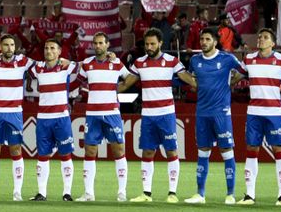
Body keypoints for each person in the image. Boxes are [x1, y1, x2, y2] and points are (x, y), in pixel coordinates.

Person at [178, 28, 244, 204]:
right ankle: (200, 194)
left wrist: (231, 82)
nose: (203, 42)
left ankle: (230, 194)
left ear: (215, 41)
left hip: (221, 113)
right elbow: (192, 79)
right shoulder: (195, 60)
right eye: (202, 39)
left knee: (226, 151)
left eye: (207, 39)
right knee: (203, 151)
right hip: (202, 112)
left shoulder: (227, 59)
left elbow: (243, 70)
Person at [124, 29, 184, 203]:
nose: (149, 47)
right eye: (147, 44)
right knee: (148, 151)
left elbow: (187, 78)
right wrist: (106, 90)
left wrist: (203, 82)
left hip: (166, 114)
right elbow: (126, 83)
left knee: (171, 151)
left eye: (152, 44)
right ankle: (146, 193)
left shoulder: (172, 61)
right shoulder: (139, 63)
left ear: (160, 43)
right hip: (148, 115)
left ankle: (172, 193)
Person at [241, 29, 281, 206]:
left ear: (273, 43)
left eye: (265, 38)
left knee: (278, 150)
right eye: (259, 37)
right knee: (252, 149)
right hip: (254, 112)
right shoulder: (248, 59)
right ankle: (250, 195)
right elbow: (235, 77)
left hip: (274, 112)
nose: (261, 39)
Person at [75, 32, 131, 203]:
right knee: (90, 151)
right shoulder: (87, 64)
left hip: (112, 113)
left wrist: (117, 89)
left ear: (107, 45)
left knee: (118, 151)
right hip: (92, 114)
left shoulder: (116, 63)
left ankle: (121, 192)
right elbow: (78, 81)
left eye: (101, 43)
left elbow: (130, 78)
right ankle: (88, 193)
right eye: (95, 43)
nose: (98, 46)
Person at [0, 33, 33, 201]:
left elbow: (44, 64)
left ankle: (17, 192)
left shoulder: (23, 61)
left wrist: (63, 61)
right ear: (0, 47)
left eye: (12, 45)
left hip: (15, 112)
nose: (9, 48)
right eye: (6, 45)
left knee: (16, 149)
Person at [29, 38, 77, 202]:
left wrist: (70, 61)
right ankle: (42, 193)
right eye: (46, 48)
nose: (48, 51)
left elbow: (85, 66)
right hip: (43, 118)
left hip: (61, 117)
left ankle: (67, 193)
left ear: (59, 51)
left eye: (52, 48)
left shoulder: (67, 66)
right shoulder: (37, 68)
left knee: (65, 154)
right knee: (43, 155)